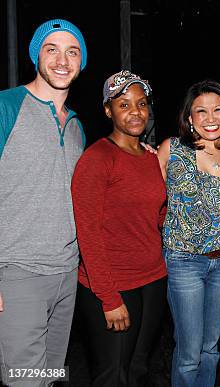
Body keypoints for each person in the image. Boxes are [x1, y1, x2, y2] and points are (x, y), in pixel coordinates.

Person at [0, 19, 87, 386]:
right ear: (36, 55)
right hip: (17, 272)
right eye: (52, 49)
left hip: (66, 275)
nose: (62, 60)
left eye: (72, 51)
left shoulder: (77, 126)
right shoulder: (7, 106)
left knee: (50, 375)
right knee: (24, 379)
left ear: (82, 62)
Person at [71, 71, 167, 386]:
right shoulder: (97, 158)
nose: (135, 111)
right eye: (124, 104)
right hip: (113, 285)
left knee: (139, 370)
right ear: (108, 110)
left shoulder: (150, 158)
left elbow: (156, 215)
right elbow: (88, 234)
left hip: (153, 279)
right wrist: (109, 298)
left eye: (141, 103)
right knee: (113, 375)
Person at [157, 80, 220, 387]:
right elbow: (147, 196)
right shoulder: (172, 150)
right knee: (190, 352)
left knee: (211, 349)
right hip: (183, 262)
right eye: (201, 111)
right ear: (190, 118)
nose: (210, 117)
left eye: (218, 110)